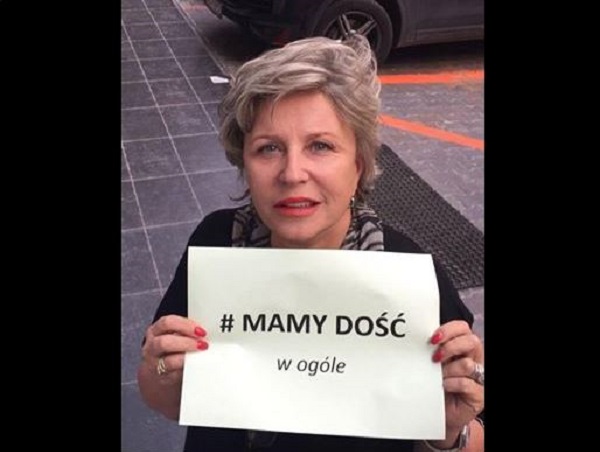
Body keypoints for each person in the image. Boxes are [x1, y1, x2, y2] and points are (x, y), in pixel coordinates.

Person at [137, 35, 484, 452]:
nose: (292, 173)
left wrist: (448, 431)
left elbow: (470, 434)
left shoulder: (412, 279)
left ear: (358, 165)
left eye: (320, 146)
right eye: (269, 148)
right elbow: (167, 400)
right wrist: (162, 371)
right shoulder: (216, 243)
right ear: (245, 163)